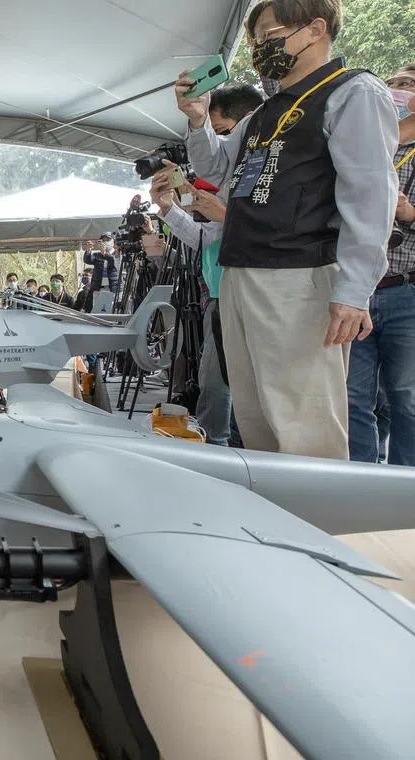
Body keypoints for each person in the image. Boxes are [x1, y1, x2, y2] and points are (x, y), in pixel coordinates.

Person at [176, 0, 396, 459]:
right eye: (256, 41)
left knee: (303, 419)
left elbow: (370, 195)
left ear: (315, 29)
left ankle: (318, 521)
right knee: (256, 415)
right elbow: (217, 168)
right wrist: (198, 119)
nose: (261, 49)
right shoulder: (264, 111)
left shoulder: (352, 92)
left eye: (271, 37)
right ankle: (275, 514)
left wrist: (354, 290)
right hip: (240, 271)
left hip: (299, 273)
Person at [152, 84, 264, 447]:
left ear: (248, 126)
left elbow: (275, 234)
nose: (218, 150)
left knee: (237, 389)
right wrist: (169, 207)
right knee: (215, 382)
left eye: (222, 136)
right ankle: (221, 449)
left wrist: (225, 214)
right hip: (218, 294)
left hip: (258, 294)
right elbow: (203, 238)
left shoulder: (267, 174)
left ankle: (231, 452)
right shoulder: (223, 183)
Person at [347, 64, 415, 466]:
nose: (396, 92)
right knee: (353, 396)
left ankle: (403, 489)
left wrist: (409, 214)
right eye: (390, 85)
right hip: (357, 290)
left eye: (406, 85)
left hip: (405, 292)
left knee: (405, 397)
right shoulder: (368, 146)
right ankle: (360, 482)